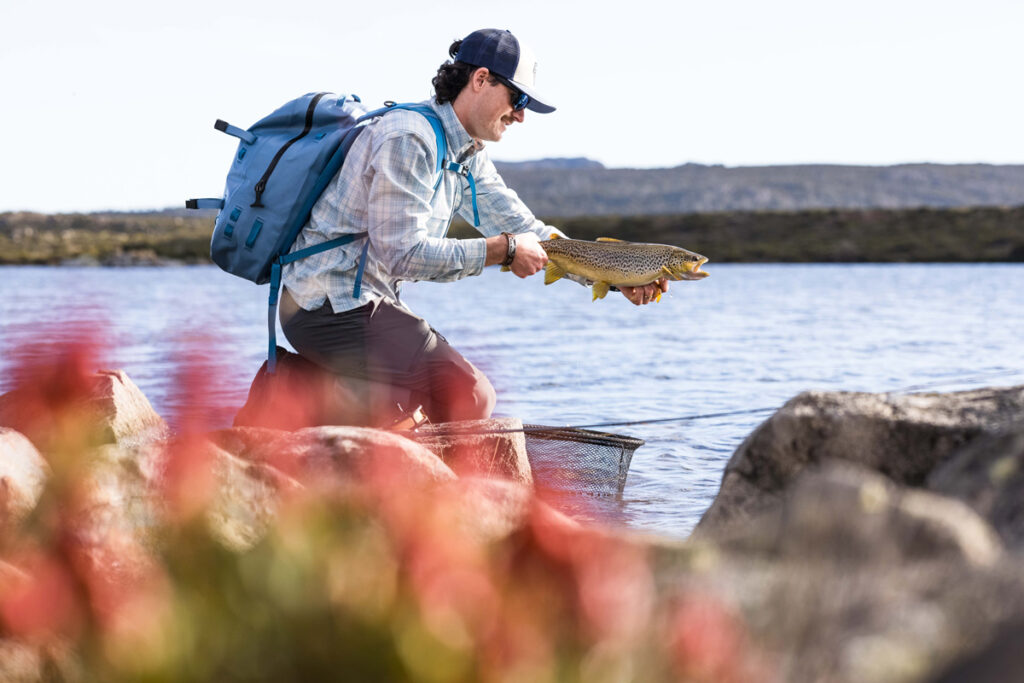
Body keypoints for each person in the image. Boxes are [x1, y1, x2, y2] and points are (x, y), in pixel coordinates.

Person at [279, 28, 668, 425]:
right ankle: (306, 407)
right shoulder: (409, 138)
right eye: (518, 99)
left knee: (426, 404)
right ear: (480, 80)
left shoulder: (465, 151)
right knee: (470, 395)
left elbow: (526, 228)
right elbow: (403, 255)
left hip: (360, 304)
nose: (520, 115)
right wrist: (502, 250)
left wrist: (616, 278)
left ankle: (317, 410)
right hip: (325, 305)